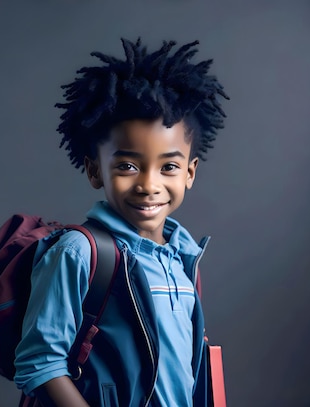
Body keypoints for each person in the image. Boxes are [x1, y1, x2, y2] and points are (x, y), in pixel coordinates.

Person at [14, 38, 228, 407]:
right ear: (95, 169)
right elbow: (40, 363)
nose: (149, 184)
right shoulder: (80, 253)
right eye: (128, 166)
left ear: (190, 173)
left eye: (169, 167)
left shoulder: (181, 258)